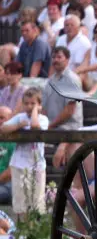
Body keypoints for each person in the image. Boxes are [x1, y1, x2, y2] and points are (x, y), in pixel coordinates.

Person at [0, 87, 48, 221]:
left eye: (32, 103)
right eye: (26, 103)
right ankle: (23, 229)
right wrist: (19, 125)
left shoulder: (43, 119)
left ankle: (36, 231)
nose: (28, 106)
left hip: (37, 165)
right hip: (19, 164)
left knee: (37, 201)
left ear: (39, 105)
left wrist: (34, 112)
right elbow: (3, 128)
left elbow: (34, 126)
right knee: (20, 202)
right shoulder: (19, 118)